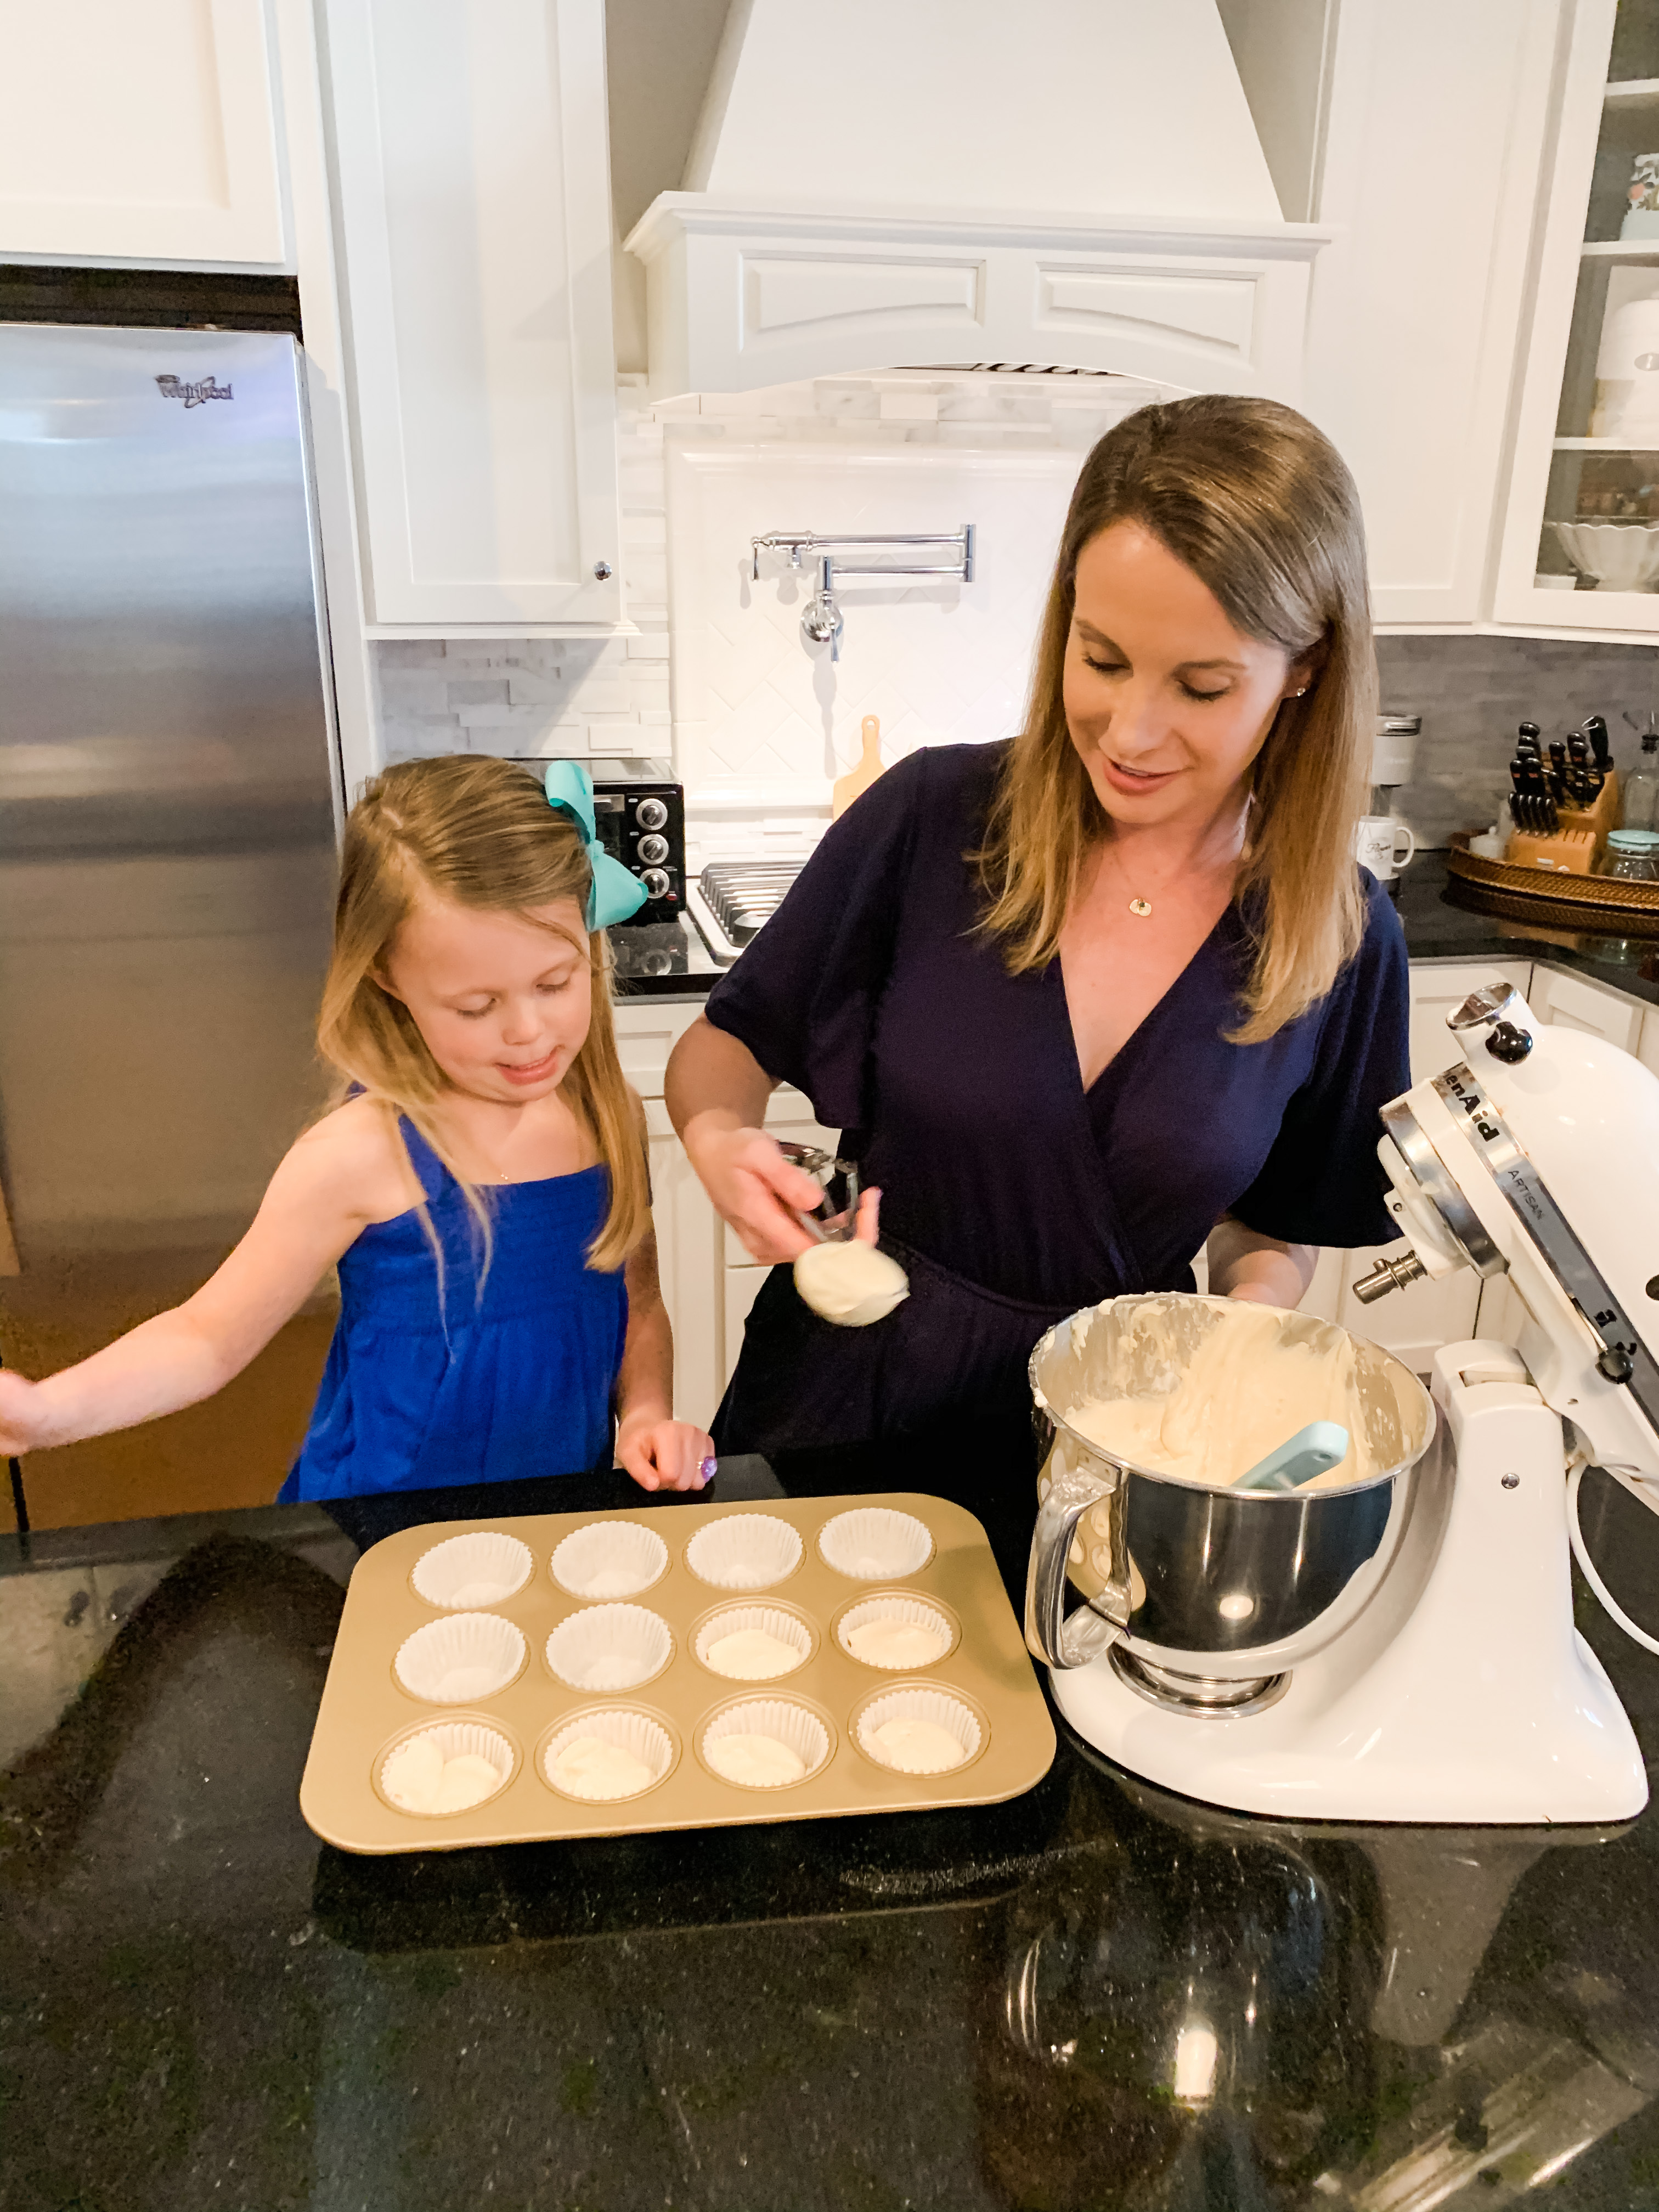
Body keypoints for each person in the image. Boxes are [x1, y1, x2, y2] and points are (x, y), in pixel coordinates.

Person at [665, 393, 1409, 1538]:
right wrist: (721, 1140)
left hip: (1122, 1445)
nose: (1130, 732)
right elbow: (727, 1046)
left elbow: (1275, 1221)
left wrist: (1252, 1323)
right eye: (1101, 658)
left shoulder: (1338, 935)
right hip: (851, 1400)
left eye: (1201, 687)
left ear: (1305, 669)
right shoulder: (931, 819)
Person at [0, 755, 713, 1504]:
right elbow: (205, 1338)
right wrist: (49, 1413)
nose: (529, 1033)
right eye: (476, 1006)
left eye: (555, 983)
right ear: (386, 978)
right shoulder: (361, 1155)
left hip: (553, 1525)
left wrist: (644, 1415)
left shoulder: (609, 1113)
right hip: (381, 1535)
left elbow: (638, 1304)